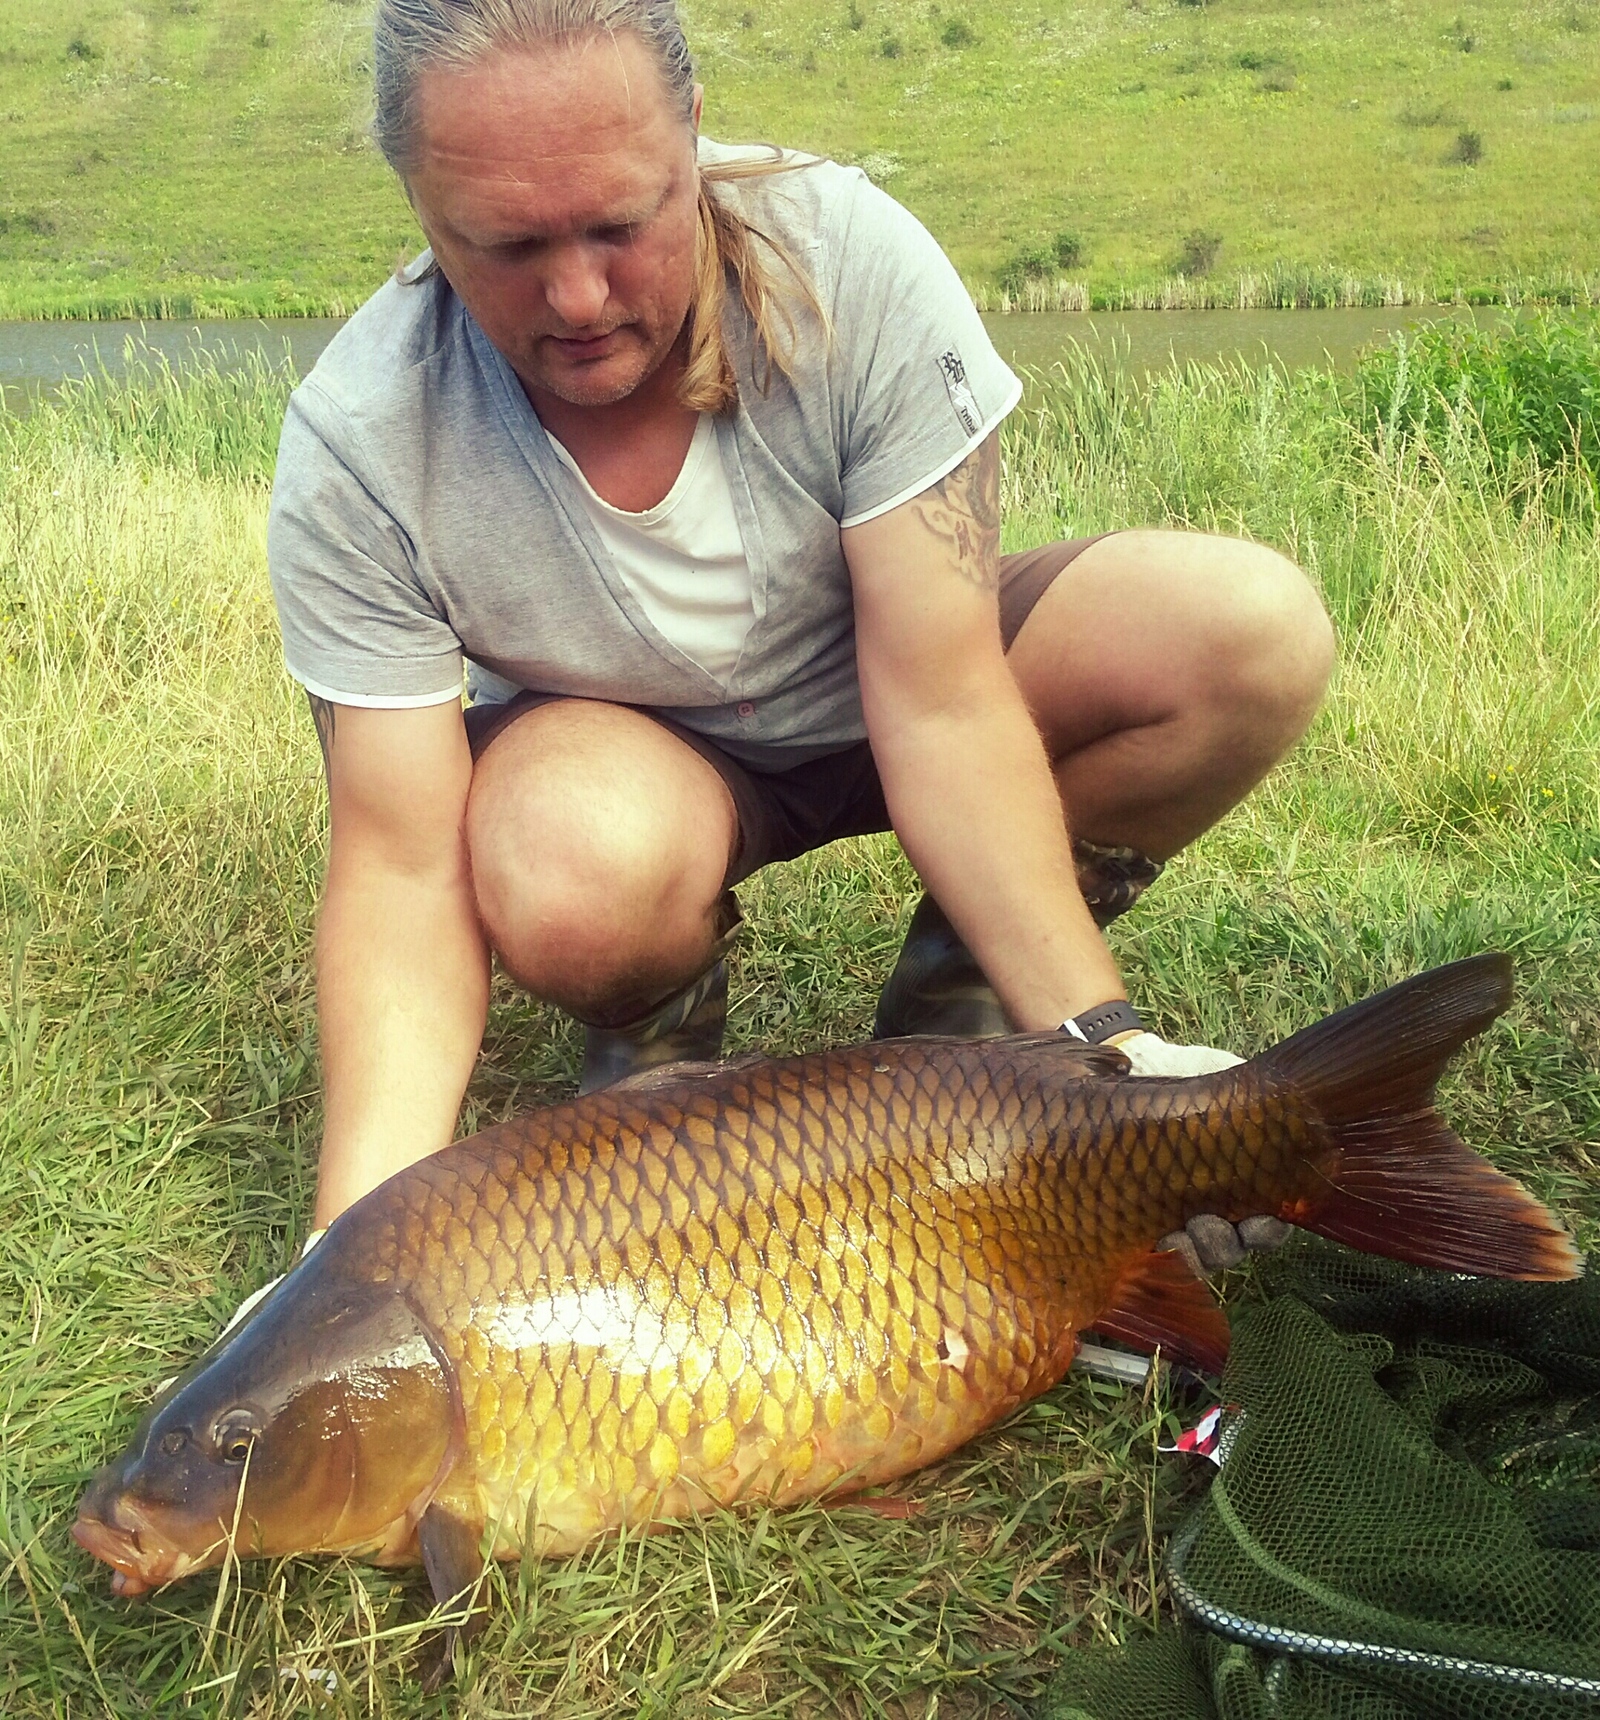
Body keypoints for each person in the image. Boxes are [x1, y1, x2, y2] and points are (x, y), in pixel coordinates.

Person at [264, 0, 1334, 1284]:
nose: (580, 296)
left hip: (904, 690)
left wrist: (1103, 1045)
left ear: (693, 134)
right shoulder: (360, 439)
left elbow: (942, 704)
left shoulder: (850, 260)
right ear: (420, 202)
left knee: (1242, 630)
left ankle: (975, 1021)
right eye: (507, 244)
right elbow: (398, 871)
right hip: (641, 768)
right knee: (566, 865)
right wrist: (346, 1255)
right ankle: (661, 1077)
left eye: (622, 222)